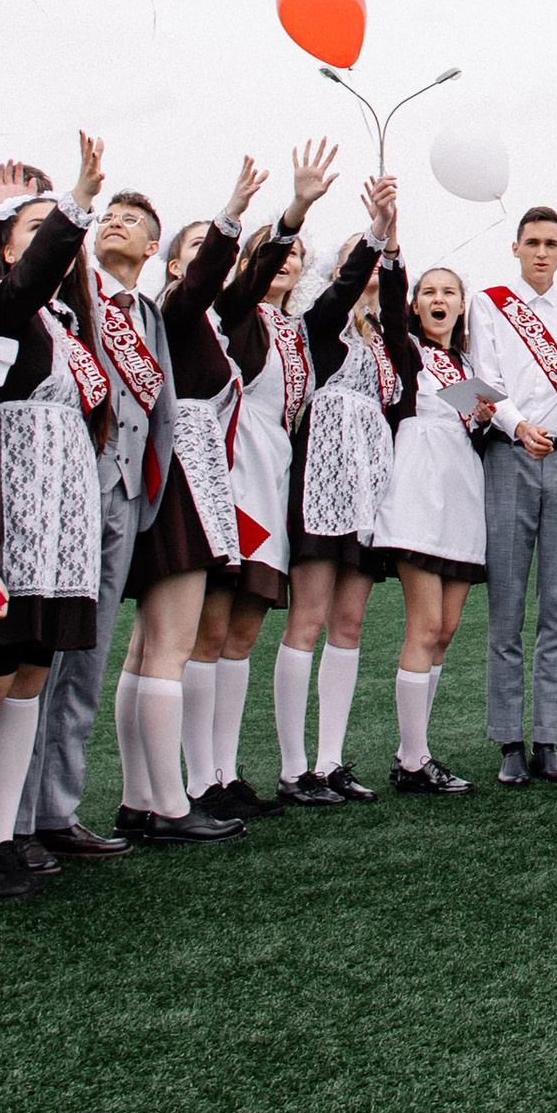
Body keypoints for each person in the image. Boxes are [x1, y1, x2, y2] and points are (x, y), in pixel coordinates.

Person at [0, 136, 111, 904]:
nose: (50, 246)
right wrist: (76, 201)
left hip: (61, 516)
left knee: (30, 677)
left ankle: (2, 835)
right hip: (9, 511)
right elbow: (33, 275)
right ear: (4, 246)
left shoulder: (67, 322)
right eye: (33, 230)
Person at [114, 158, 280, 847]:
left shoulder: (204, 322)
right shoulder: (173, 312)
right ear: (173, 262)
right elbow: (209, 280)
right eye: (198, 250)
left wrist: (290, 217)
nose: (212, 264)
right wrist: (230, 214)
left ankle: (139, 798)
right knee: (168, 647)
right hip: (178, 471)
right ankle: (167, 804)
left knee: (149, 648)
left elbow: (242, 284)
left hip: (197, 474)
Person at [185, 140, 344, 819]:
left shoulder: (297, 330)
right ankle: (197, 779)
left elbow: (342, 301)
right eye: (275, 253)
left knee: (242, 636)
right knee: (209, 632)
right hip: (231, 480)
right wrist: (293, 212)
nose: (286, 262)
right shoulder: (232, 314)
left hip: (274, 481)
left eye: (297, 255)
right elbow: (245, 284)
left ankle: (225, 771)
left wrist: (377, 239)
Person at [19, 185, 164, 860]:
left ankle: (58, 809)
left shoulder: (149, 313)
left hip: (126, 493)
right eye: (108, 215)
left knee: (87, 660)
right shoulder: (72, 296)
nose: (115, 223)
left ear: (152, 245)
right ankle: (13, 819)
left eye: (131, 219)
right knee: (40, 662)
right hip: (66, 489)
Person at [466, 204, 557, 789]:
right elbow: (482, 381)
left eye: (551, 243)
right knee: (507, 608)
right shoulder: (489, 303)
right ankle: (508, 743)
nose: (541, 252)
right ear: (516, 248)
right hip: (508, 456)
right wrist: (518, 426)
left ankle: (548, 739)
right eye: (532, 242)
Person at [282, 212, 401, 803]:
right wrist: (374, 237)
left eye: (374, 254)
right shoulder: (319, 323)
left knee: (348, 623)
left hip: (369, 486)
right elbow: (345, 292)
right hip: (322, 476)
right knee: (306, 620)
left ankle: (330, 761)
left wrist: (391, 248)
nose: (370, 262)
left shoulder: (385, 336)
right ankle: (293, 768)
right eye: (359, 255)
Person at [374, 264, 491, 794]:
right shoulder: (407, 352)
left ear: (462, 306)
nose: (438, 300)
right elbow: (390, 304)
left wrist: (486, 419)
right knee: (423, 628)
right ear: (415, 304)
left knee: (445, 630)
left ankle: (410, 752)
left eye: (449, 292)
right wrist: (391, 250)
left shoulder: (466, 365)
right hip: (417, 493)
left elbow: (480, 427)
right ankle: (415, 761)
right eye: (428, 292)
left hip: (462, 495)